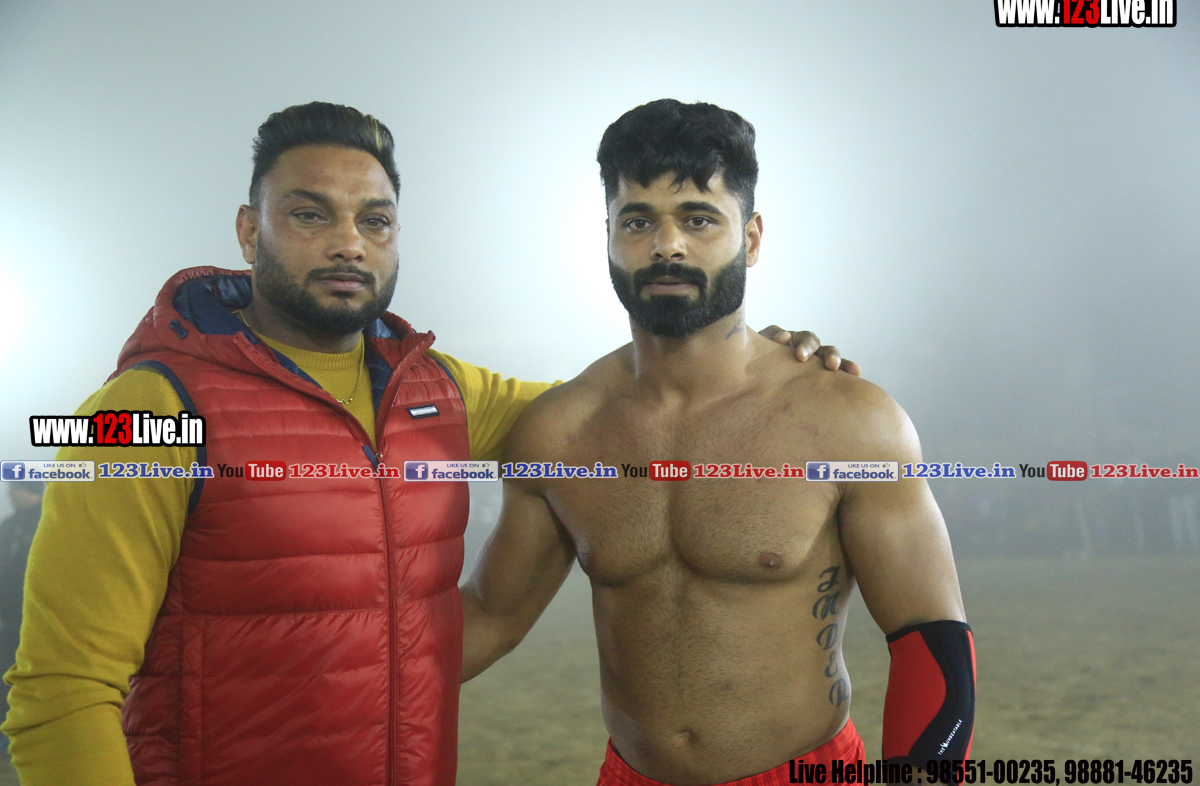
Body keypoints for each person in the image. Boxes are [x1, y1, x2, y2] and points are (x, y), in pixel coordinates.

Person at [3, 102, 853, 786]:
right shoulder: (141, 409)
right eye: (309, 214)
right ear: (248, 230)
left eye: (374, 220)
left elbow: (647, 410)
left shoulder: (440, 393)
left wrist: (760, 363)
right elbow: (60, 691)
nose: (348, 242)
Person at [461, 99, 976, 786]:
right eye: (637, 221)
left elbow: (930, 641)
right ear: (608, 237)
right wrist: (319, 665)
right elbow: (489, 618)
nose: (666, 245)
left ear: (752, 238)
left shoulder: (850, 421)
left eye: (698, 219)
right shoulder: (559, 430)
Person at [0, 482, 45, 714]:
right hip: (6, 620)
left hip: (37, 621)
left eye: (14, 489)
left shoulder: (48, 524)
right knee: (5, 676)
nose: (9, 494)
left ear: (29, 491)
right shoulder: (8, 526)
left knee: (31, 678)